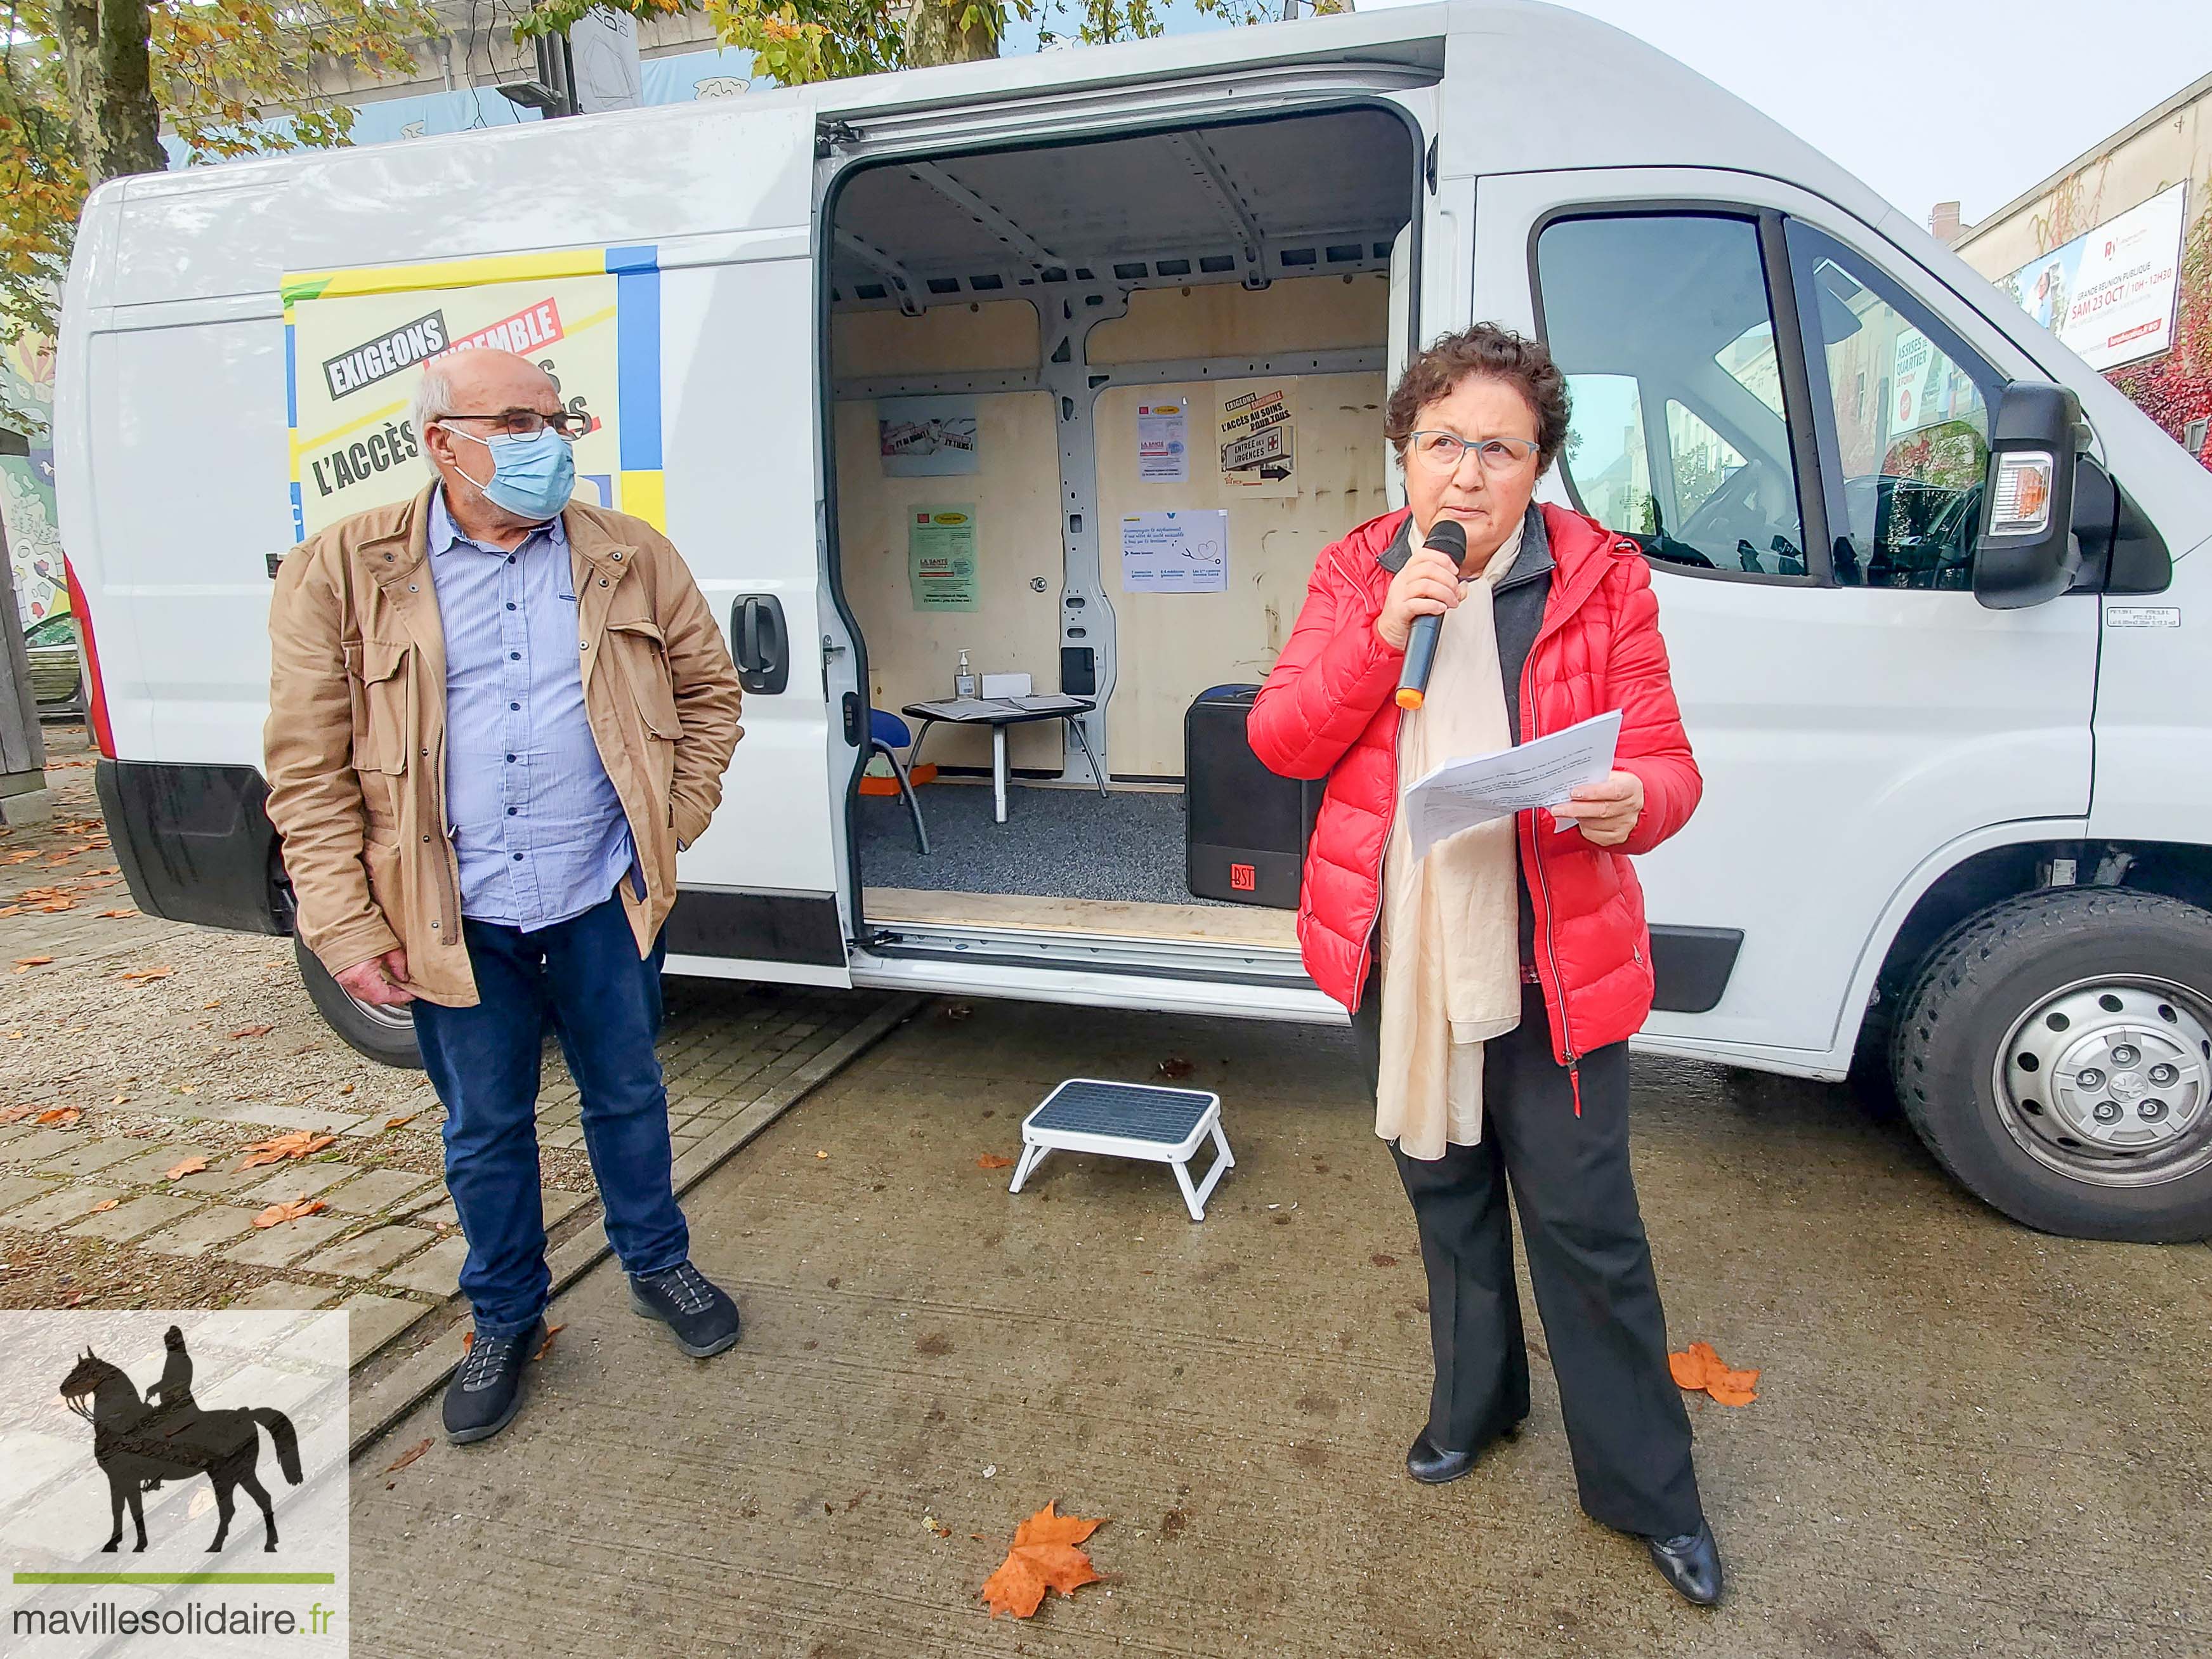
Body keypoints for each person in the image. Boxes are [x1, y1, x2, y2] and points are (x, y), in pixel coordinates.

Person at [1247, 324, 1722, 1605]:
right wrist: (1376, 634)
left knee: (1586, 1227)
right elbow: (1284, 738)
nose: (1467, 472)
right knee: (1446, 1201)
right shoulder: (1357, 573)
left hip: (1552, 957)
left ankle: (1645, 1492)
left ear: (1537, 467)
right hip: (1401, 957)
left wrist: (1636, 800)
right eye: (1444, 442)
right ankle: (1478, 1404)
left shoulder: (1599, 580)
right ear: (1403, 454)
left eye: (1499, 448)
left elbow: (1667, 759)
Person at [265, 348, 746, 1446]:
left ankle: (656, 1264)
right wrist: (343, 924)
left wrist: (664, 826)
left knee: (626, 1092)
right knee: (486, 1127)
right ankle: (506, 1319)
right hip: (452, 913)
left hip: (597, 891)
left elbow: (709, 691)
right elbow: (307, 770)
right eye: (520, 422)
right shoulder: (342, 572)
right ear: (443, 441)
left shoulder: (628, 553)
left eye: (556, 418)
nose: (551, 441)